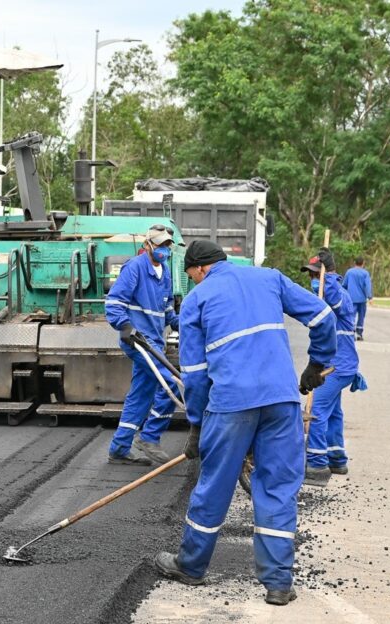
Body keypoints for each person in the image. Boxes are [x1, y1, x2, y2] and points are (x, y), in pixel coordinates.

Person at [153, 240, 337, 606]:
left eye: (191, 276)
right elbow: (323, 317)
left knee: (215, 485)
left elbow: (194, 374)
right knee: (277, 488)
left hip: (231, 404)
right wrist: (318, 363)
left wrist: (196, 424)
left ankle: (190, 566)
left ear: (201, 269)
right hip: (282, 401)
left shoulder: (196, 301)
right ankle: (279, 583)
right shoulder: (269, 278)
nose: (193, 283)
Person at [104, 225, 182, 465]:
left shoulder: (165, 271)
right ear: (147, 245)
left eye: (167, 246)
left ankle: (119, 447)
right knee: (174, 383)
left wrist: (182, 324)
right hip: (138, 341)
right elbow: (114, 302)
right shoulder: (135, 268)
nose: (164, 250)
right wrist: (124, 326)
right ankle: (149, 436)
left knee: (141, 394)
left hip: (155, 342)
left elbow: (167, 309)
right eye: (159, 245)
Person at [301, 254, 360, 486]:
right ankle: (337, 458)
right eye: (311, 275)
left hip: (337, 366)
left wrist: (327, 280)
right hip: (338, 365)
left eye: (316, 274)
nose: (313, 280)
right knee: (333, 413)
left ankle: (316, 465)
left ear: (328, 274)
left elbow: (333, 301)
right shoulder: (326, 297)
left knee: (317, 410)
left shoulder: (339, 295)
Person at [343, 257, 373, 340]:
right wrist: (370, 297)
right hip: (362, 300)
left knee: (351, 316)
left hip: (351, 299)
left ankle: (351, 334)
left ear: (354, 262)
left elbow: (344, 285)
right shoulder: (365, 273)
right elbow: (367, 286)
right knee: (361, 316)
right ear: (363, 263)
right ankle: (359, 334)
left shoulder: (349, 272)